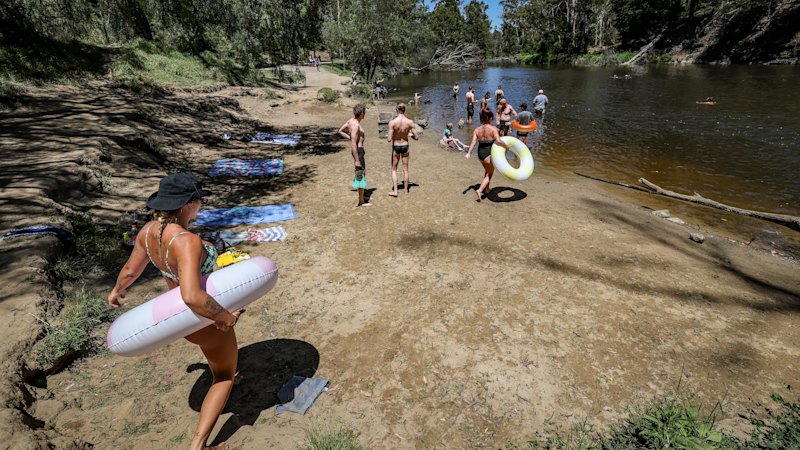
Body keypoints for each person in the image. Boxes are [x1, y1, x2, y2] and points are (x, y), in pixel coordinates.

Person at [107, 172, 245, 450]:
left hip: (181, 320)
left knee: (216, 357)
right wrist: (226, 318)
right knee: (224, 377)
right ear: (188, 205)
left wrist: (117, 290)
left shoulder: (149, 232)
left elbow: (131, 270)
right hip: (204, 319)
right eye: (199, 201)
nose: (201, 206)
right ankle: (199, 445)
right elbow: (192, 296)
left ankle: (221, 366)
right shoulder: (186, 241)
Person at [466, 108, 509, 202]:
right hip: (488, 154)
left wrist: (469, 153)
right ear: (490, 118)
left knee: (487, 170)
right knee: (489, 174)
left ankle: (487, 189)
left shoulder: (477, 129)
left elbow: (473, 142)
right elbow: (498, 141)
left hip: (480, 154)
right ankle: (480, 190)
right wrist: (506, 146)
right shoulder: (493, 129)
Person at [338, 104, 371, 207]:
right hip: (358, 151)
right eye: (364, 112)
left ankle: (362, 196)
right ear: (361, 114)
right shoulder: (356, 125)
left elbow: (340, 131)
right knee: (360, 174)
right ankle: (361, 201)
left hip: (358, 151)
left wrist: (349, 138)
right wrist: (357, 160)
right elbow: (353, 144)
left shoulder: (351, 121)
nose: (365, 114)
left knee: (361, 173)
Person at [387, 102, 419, 197]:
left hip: (396, 146)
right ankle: (406, 191)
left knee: (394, 169)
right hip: (405, 145)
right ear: (404, 110)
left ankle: (395, 191)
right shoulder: (409, 122)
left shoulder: (392, 122)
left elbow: (389, 139)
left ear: (397, 110)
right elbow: (416, 137)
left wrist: (393, 135)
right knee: (405, 169)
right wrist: (409, 135)